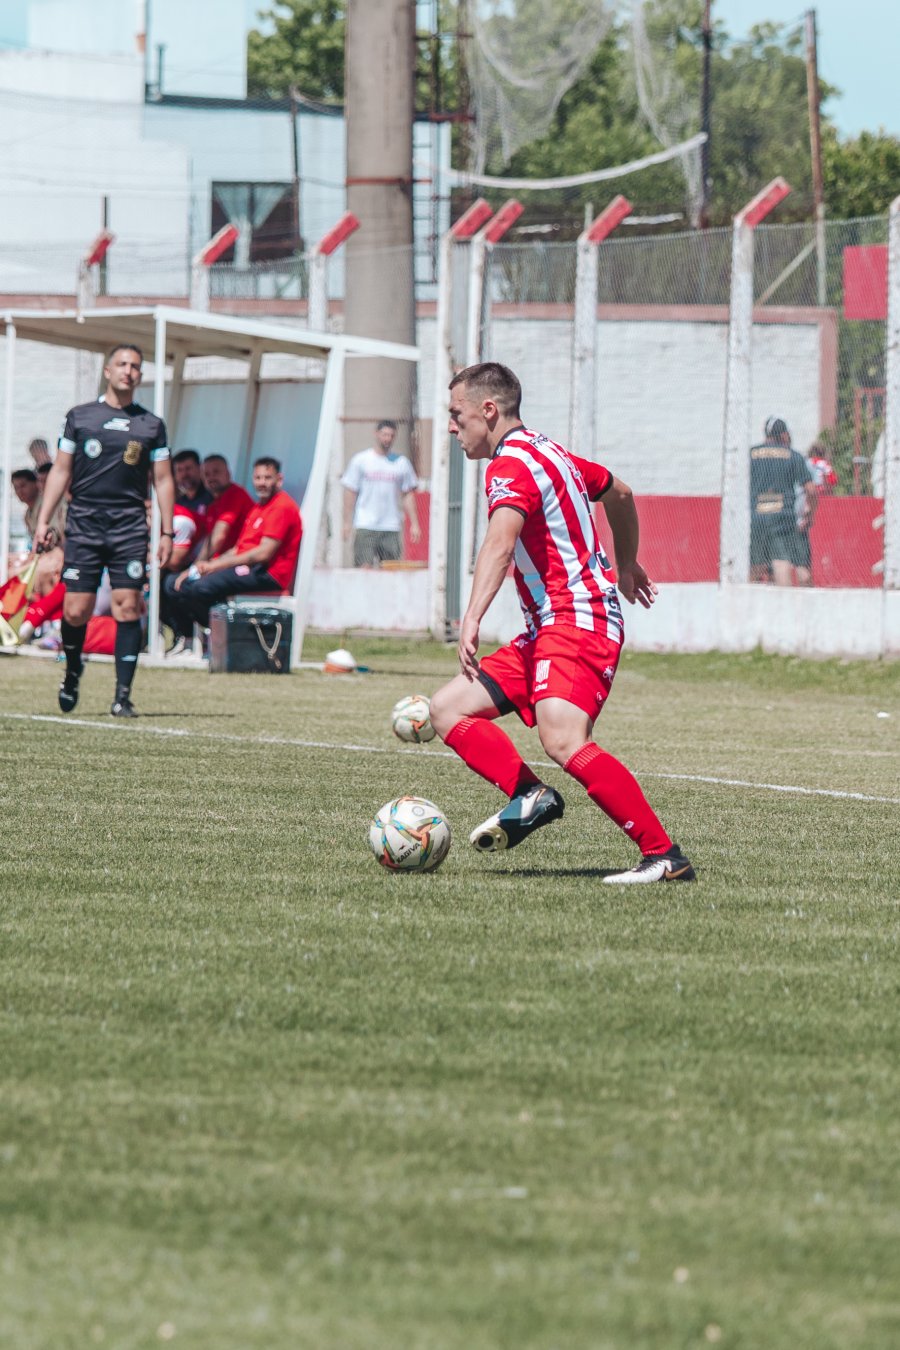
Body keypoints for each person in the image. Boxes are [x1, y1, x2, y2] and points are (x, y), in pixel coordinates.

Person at [427, 361, 695, 885]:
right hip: (552, 625)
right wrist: (629, 561)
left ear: (489, 409)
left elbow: (500, 543)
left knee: (565, 740)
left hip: (578, 620)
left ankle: (664, 856)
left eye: (456, 415)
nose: (452, 427)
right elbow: (620, 491)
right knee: (448, 709)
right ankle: (530, 795)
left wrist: (472, 616)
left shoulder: (508, 467)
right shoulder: (550, 452)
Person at [33, 342, 175, 717]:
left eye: (135, 366)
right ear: (108, 371)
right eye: (122, 364)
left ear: (140, 376)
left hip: (129, 526)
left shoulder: (151, 425)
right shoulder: (81, 417)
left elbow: (162, 480)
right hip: (84, 524)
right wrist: (45, 520)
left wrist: (166, 532)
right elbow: (61, 470)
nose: (129, 370)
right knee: (76, 609)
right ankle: (74, 669)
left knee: (128, 607)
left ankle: (122, 695)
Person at [166, 456, 301, 629]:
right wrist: (207, 565)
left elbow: (263, 553)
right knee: (184, 583)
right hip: (249, 568)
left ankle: (220, 635)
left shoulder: (281, 506)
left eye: (267, 478)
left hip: (269, 574)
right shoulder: (259, 507)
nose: (262, 483)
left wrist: (214, 566)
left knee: (201, 587)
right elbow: (239, 548)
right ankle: (211, 636)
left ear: (279, 479)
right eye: (258, 478)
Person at [342, 419, 421, 567]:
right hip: (366, 524)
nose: (387, 439)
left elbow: (407, 494)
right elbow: (350, 491)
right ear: (377, 434)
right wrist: (347, 522)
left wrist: (414, 524)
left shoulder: (401, 463)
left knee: (390, 569)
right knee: (364, 567)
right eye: (384, 434)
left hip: (390, 526)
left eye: (391, 435)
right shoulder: (361, 460)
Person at [749, 417, 816, 587]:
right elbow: (811, 490)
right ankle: (783, 608)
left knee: (756, 567)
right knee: (781, 563)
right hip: (782, 518)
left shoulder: (751, 454)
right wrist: (810, 512)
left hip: (756, 517)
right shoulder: (793, 456)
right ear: (784, 434)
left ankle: (747, 608)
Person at [200, 454, 253, 559]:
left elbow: (218, 537)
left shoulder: (235, 494)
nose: (211, 477)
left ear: (228, 474)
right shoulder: (212, 506)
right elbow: (209, 541)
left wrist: (195, 567)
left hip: (239, 560)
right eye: (207, 474)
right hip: (221, 561)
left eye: (216, 472)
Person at [172, 448, 213, 516]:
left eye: (188, 468)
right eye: (179, 470)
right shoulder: (178, 503)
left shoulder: (212, 497)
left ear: (200, 468)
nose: (184, 474)